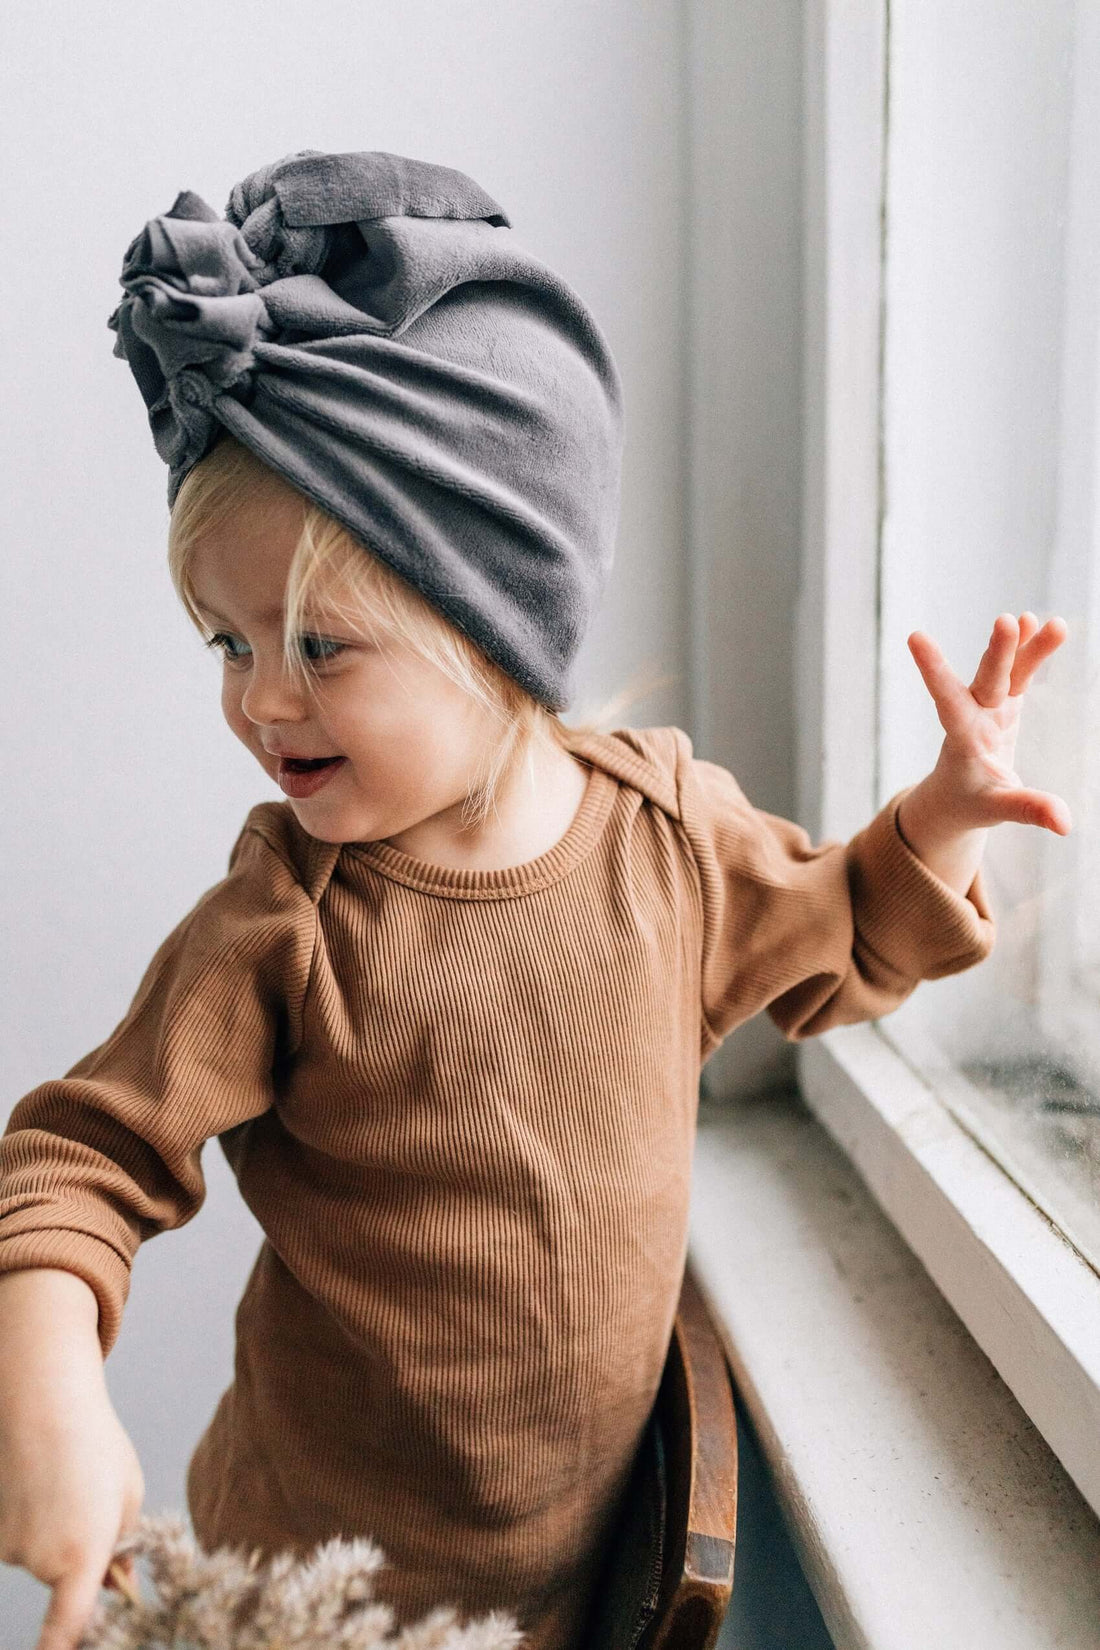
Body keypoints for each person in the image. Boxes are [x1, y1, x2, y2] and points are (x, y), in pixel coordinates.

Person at [0, 148, 1070, 1650]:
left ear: (492, 611)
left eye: (318, 642)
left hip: (561, 1606)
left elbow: (849, 933)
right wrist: (47, 1395)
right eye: (227, 644)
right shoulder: (288, 920)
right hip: (303, 1606)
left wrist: (941, 819)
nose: (259, 700)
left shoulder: (667, 836)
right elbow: (73, 1163)